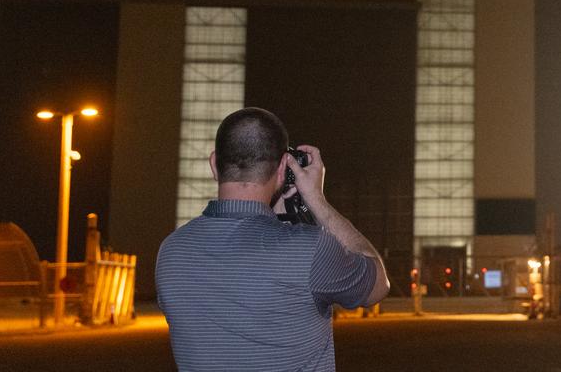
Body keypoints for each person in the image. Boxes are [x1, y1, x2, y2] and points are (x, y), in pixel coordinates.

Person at [157, 107, 389, 371]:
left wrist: (275, 219)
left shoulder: (171, 252)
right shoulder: (311, 250)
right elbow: (378, 286)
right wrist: (316, 200)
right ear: (281, 170)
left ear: (214, 164)